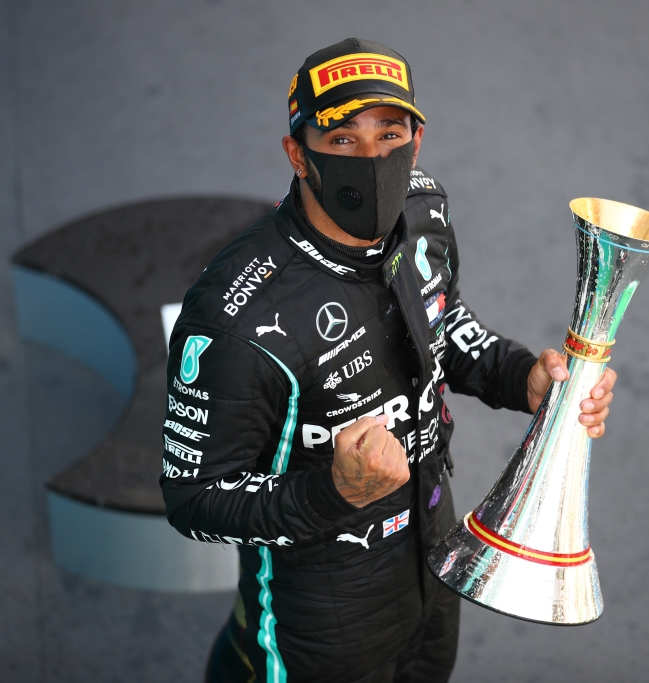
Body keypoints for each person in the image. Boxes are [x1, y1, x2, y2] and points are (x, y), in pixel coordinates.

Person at [160, 38, 616, 683]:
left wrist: (524, 378)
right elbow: (193, 501)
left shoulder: (424, 209)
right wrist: (334, 491)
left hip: (437, 556)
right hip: (316, 618)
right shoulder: (235, 316)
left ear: (417, 140)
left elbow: (443, 323)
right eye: (342, 140)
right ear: (298, 154)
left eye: (389, 133)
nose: (371, 158)